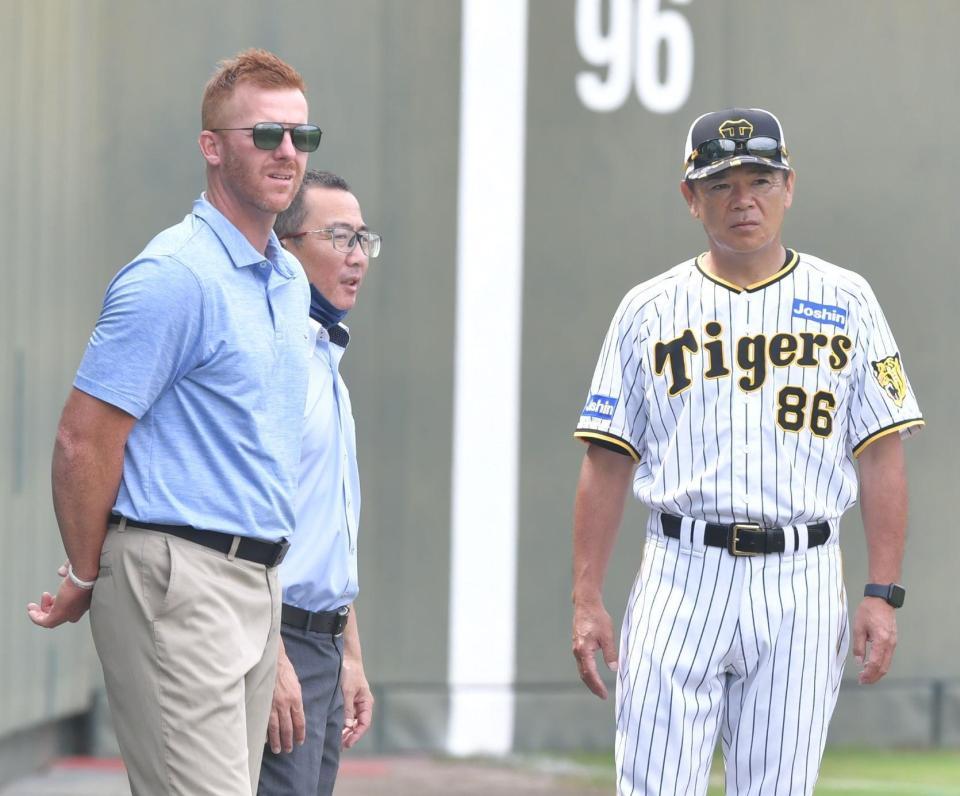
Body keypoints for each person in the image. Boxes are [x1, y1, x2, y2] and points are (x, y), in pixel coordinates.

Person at [571, 107, 924, 795]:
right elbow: (606, 458)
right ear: (689, 196)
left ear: (789, 186)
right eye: (721, 184)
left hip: (803, 575)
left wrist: (883, 593)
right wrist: (587, 597)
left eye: (760, 179)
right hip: (681, 570)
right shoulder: (649, 308)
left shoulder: (847, 299)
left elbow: (881, 452)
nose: (743, 200)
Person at [27, 49, 321, 795]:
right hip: (175, 578)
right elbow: (81, 439)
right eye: (266, 135)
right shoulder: (174, 276)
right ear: (212, 147)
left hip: (257, 582)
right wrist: (87, 572)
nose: (288, 152)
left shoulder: (286, 280)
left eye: (302, 136)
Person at [257, 170, 378, 795]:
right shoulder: (276, 364)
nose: (357, 255)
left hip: (322, 645)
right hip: (277, 641)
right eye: (338, 237)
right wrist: (271, 656)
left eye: (362, 239)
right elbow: (246, 528)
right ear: (286, 245)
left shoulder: (326, 359)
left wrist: (350, 655)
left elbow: (326, 531)